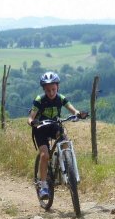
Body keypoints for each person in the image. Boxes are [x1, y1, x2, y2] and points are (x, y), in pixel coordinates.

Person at [27, 71, 87, 200]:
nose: (51, 92)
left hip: (54, 125)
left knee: (65, 141)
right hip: (40, 128)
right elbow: (30, 117)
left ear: (57, 87)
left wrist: (78, 114)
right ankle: (43, 186)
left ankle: (67, 164)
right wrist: (32, 122)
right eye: (48, 90)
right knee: (45, 155)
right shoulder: (39, 100)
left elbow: (72, 109)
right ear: (44, 89)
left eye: (53, 89)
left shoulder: (61, 98)